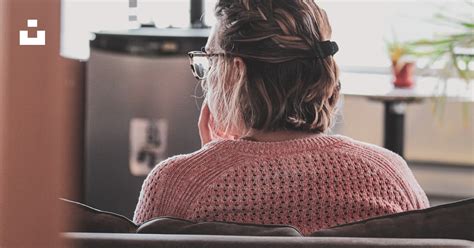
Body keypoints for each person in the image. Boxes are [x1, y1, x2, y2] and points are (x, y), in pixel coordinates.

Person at [133, 0, 429, 235]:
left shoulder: (175, 184)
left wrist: (204, 167)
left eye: (211, 61)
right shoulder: (390, 176)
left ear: (236, 72)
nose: (207, 77)